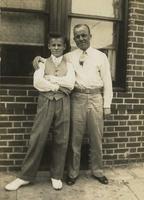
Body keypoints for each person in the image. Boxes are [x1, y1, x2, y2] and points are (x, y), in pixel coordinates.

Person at [33, 24, 113, 186]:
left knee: (96, 137)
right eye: (77, 36)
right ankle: (73, 172)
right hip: (77, 98)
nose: (81, 38)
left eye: (84, 35)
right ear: (74, 39)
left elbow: (107, 81)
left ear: (90, 36)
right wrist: (38, 60)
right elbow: (52, 61)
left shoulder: (101, 56)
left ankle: (97, 171)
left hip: (96, 97)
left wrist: (107, 104)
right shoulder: (69, 56)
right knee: (75, 138)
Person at [5, 34, 75, 191]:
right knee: (38, 137)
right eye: (53, 45)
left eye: (59, 45)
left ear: (64, 47)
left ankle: (56, 175)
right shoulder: (42, 63)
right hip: (46, 102)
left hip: (64, 102)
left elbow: (70, 84)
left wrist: (49, 79)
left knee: (61, 139)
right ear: (49, 46)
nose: (56, 48)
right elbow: (37, 82)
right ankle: (25, 176)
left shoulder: (69, 65)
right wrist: (57, 86)